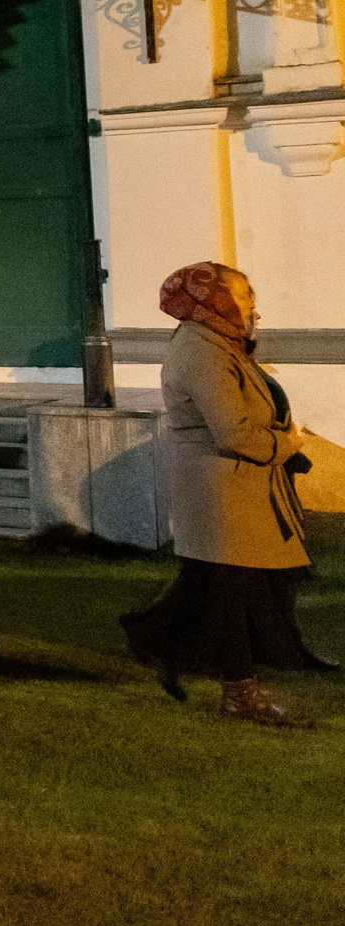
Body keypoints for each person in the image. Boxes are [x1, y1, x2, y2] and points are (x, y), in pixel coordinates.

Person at [121, 262, 327, 726]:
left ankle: (172, 650)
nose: (252, 306)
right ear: (214, 301)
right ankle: (237, 693)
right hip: (221, 493)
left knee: (233, 591)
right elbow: (233, 432)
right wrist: (287, 443)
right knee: (229, 598)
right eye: (242, 298)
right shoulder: (202, 351)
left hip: (238, 488)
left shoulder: (219, 343)